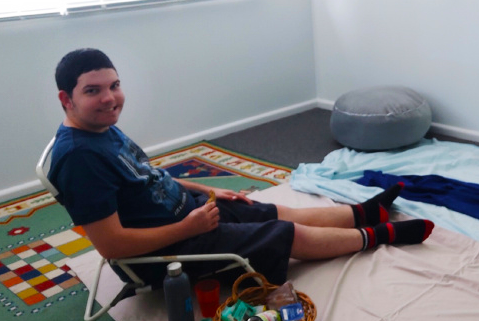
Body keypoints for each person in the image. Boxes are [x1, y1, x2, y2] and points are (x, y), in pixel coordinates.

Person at [48, 48, 433, 286]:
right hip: (166, 252)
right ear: (67, 99)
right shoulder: (80, 160)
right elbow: (112, 246)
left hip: (186, 216)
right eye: (93, 91)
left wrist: (200, 191)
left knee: (265, 208)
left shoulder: (101, 130)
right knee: (283, 232)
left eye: (114, 85)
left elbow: (144, 177)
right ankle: (382, 234)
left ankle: (363, 212)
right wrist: (188, 226)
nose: (110, 98)